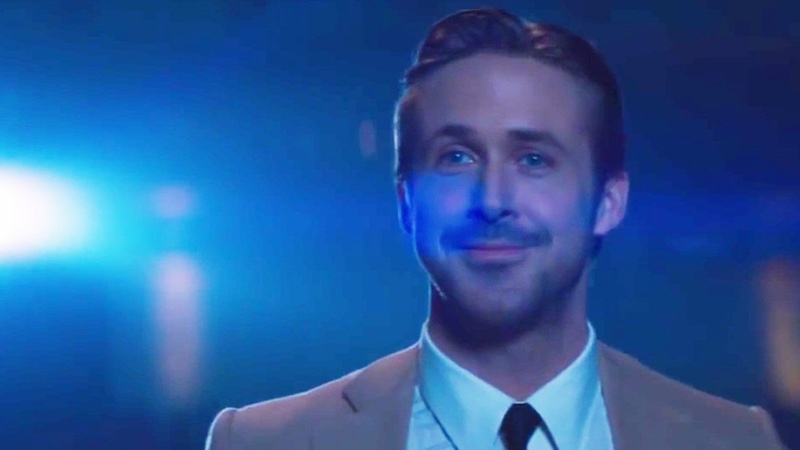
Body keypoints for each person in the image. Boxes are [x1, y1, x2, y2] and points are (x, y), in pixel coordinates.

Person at [206, 8, 786, 450]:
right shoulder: (265, 442)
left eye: (533, 159)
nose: (492, 201)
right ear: (406, 202)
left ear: (608, 202)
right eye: (457, 157)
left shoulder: (734, 440)